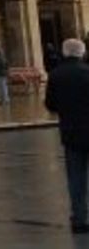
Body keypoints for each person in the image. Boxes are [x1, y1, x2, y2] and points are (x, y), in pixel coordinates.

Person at [45, 38, 89, 234]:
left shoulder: (55, 75)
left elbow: (50, 105)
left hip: (70, 132)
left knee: (76, 178)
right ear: (82, 53)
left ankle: (79, 219)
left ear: (64, 52)